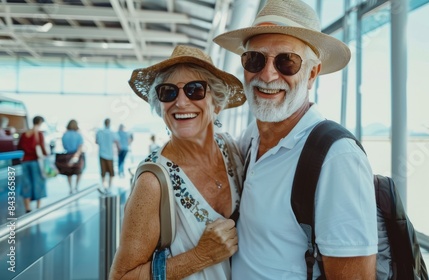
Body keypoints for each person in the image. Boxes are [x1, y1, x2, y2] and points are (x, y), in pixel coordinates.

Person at [214, 0, 378, 279]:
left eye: (286, 62)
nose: (267, 75)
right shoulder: (250, 138)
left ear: (312, 74)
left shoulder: (337, 158)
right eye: (255, 59)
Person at [109, 45, 246, 280]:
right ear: (159, 104)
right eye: (168, 92)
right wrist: (200, 256)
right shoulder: (153, 182)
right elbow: (121, 277)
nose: (181, 103)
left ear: (218, 103)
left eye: (195, 90)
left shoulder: (233, 151)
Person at [17, 115, 48, 213]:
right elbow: (43, 149)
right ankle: (38, 207)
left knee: (26, 183)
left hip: (25, 162)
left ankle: (27, 207)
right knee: (38, 182)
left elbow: (19, 147)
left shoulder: (24, 134)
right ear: (40, 123)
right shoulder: (39, 134)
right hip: (36, 162)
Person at [61, 119, 85, 193]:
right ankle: (76, 187)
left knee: (69, 172)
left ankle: (70, 188)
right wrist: (76, 155)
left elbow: (64, 146)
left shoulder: (65, 135)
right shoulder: (78, 135)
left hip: (67, 155)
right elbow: (80, 147)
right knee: (79, 171)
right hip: (77, 155)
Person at [95, 118, 119, 189]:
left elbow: (96, 141)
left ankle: (104, 186)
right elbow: (116, 141)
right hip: (110, 155)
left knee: (103, 172)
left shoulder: (99, 132)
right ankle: (109, 186)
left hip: (102, 154)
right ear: (109, 123)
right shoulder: (112, 132)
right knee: (111, 172)